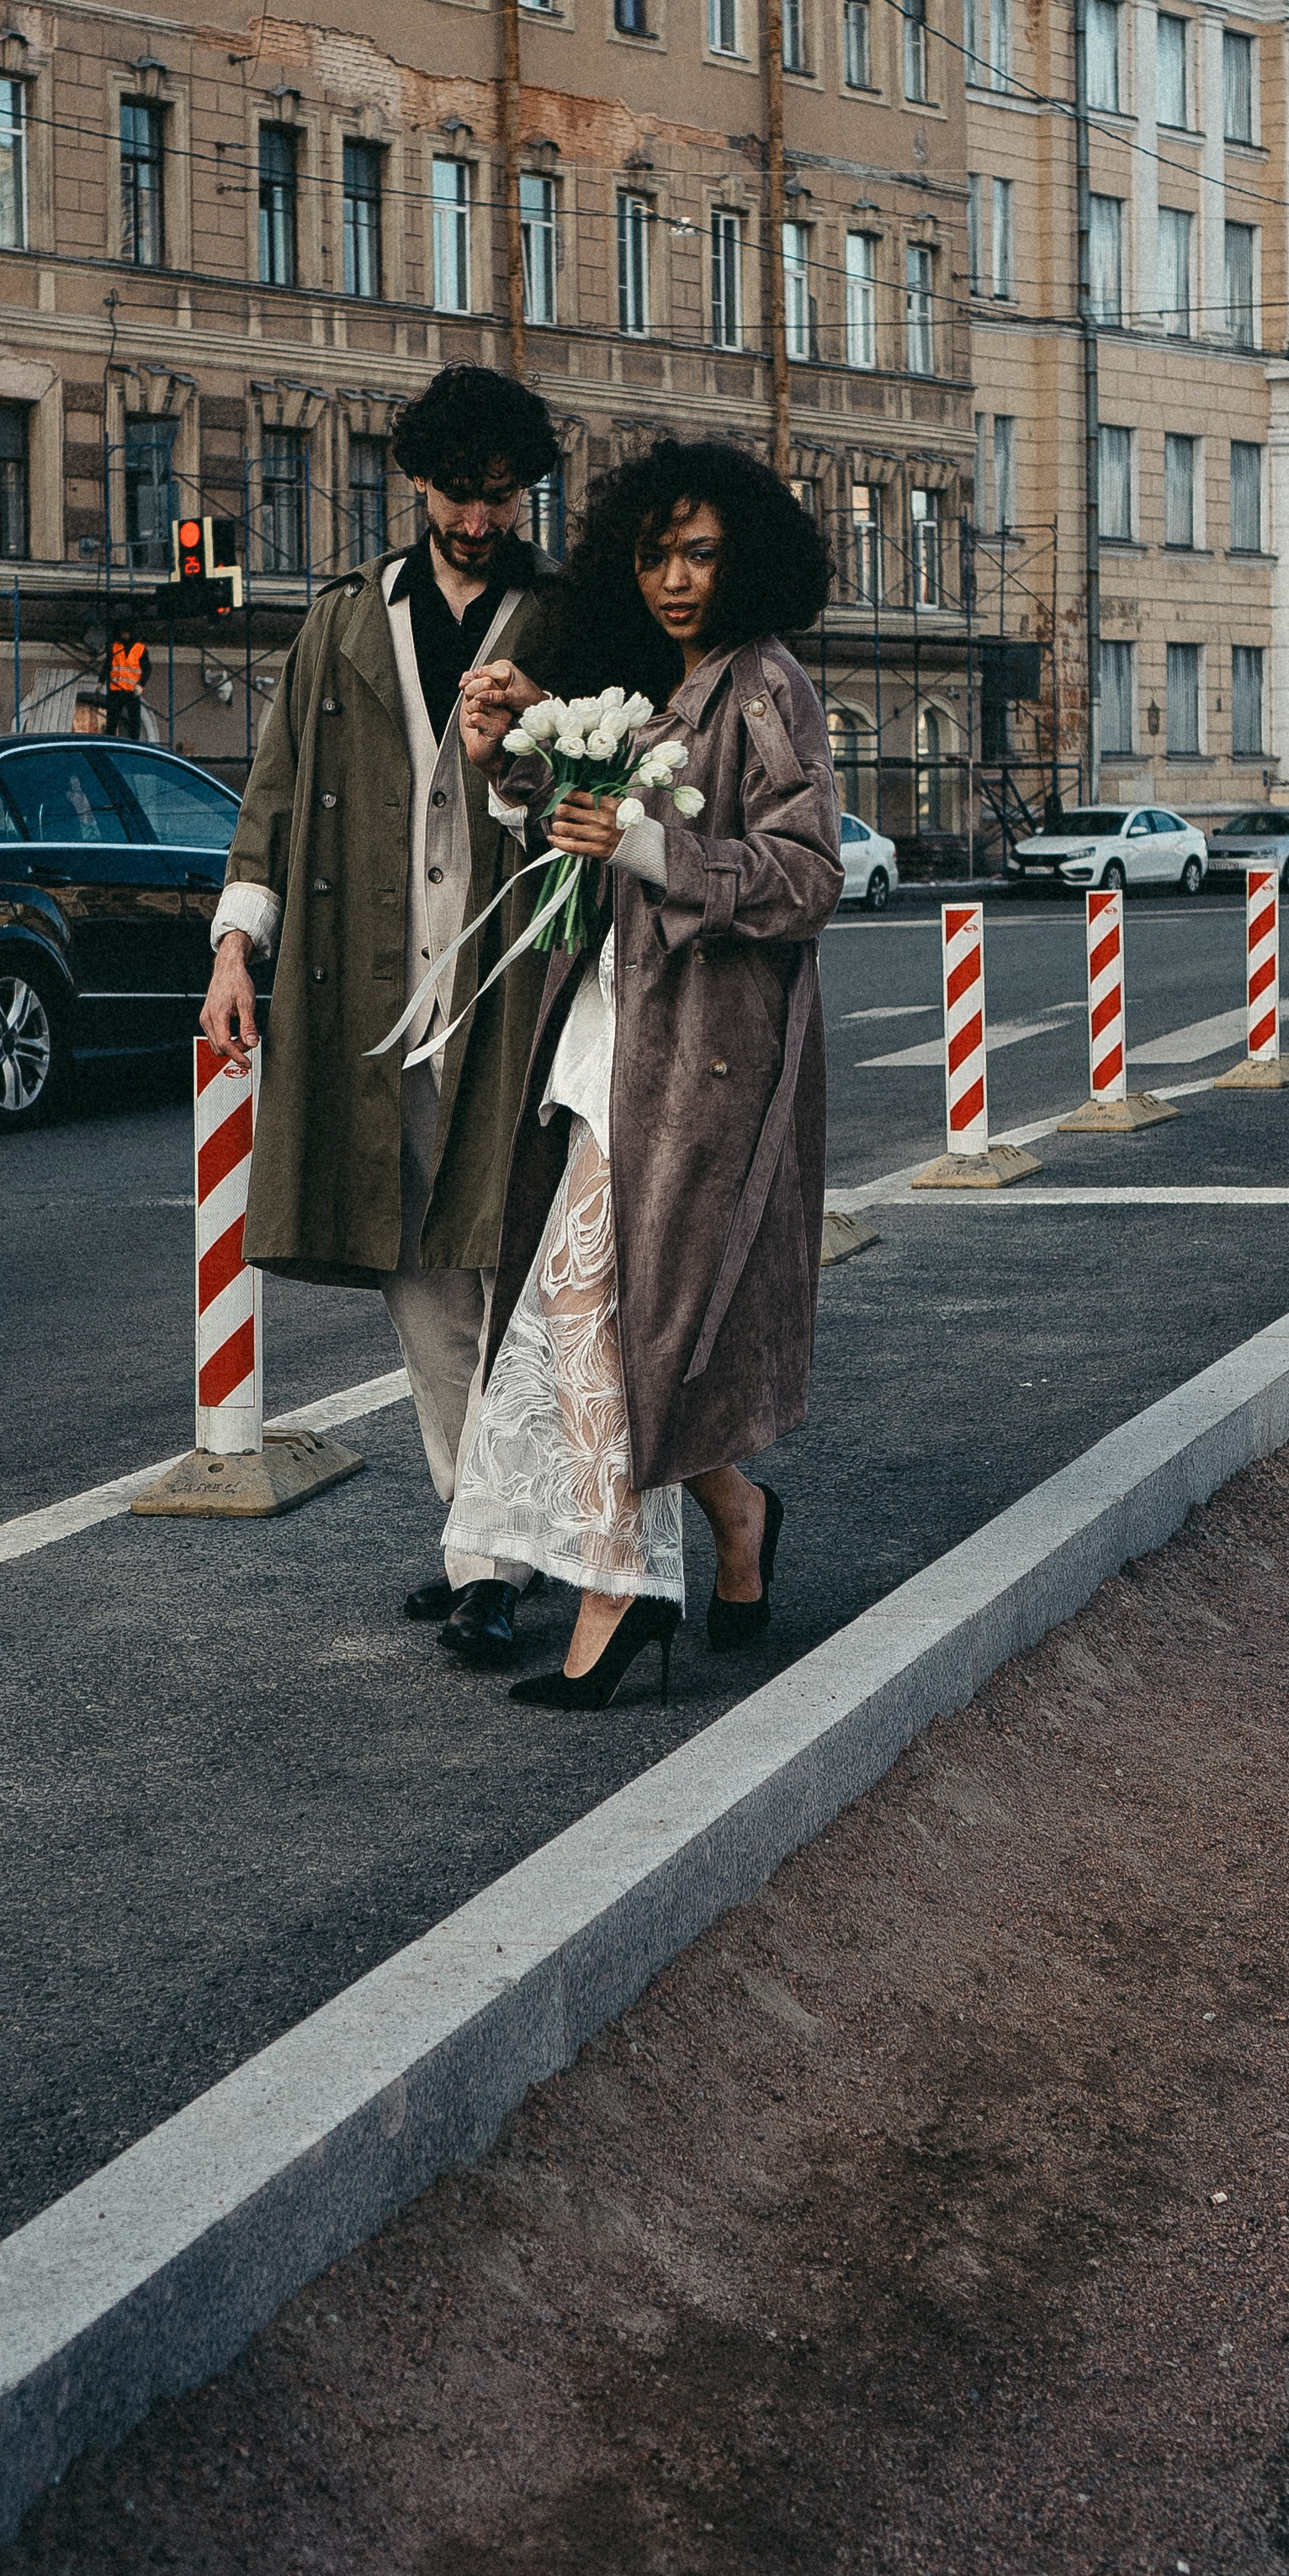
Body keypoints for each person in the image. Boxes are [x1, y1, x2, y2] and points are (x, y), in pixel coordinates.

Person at [447, 437, 841, 1712]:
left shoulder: (766, 682)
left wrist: (660, 849)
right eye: (655, 554)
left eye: (703, 553)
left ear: (751, 560)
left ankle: (617, 1593)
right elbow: (576, 820)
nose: (677, 579)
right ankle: (734, 1520)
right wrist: (509, 751)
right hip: (613, 1031)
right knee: (594, 1315)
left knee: (609, 1315)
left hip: (705, 1055)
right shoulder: (643, 681)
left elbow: (810, 877)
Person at [199, 367, 560, 1662]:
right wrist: (239, 948)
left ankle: (506, 1549)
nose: (479, 519)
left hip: (518, 991)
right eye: (461, 495)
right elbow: (275, 795)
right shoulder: (346, 619)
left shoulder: (563, 619)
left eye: (503, 497)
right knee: (419, 1280)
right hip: (371, 991)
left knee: (510, 1271)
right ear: (416, 483)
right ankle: (483, 1543)